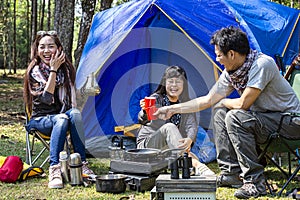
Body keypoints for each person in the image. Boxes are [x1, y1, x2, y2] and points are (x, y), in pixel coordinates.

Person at [154, 26, 300, 199]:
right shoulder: (234, 72)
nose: (217, 59)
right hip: (266, 123)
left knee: (234, 115)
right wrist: (172, 108)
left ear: (231, 54)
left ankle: (255, 182)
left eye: (219, 55)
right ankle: (231, 172)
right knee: (220, 111)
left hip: (290, 124)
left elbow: (243, 103)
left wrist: (222, 101)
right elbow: (207, 100)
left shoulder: (262, 64)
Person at [23, 30, 95, 189]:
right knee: (62, 118)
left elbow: (72, 101)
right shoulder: (34, 71)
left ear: (59, 49)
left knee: (74, 114)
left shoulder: (67, 70)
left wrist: (88, 90)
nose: (46, 51)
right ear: (37, 50)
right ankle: (54, 169)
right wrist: (53, 70)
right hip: (40, 120)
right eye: (42, 47)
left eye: (51, 46)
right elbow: (47, 99)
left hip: (61, 118)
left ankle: (81, 164)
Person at [137, 65, 214, 176]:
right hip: (147, 146)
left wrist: (189, 139)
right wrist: (144, 111)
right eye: (170, 81)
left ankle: (191, 165)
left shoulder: (184, 103)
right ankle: (198, 166)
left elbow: (191, 125)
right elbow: (143, 120)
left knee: (184, 145)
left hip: (167, 148)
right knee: (169, 127)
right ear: (165, 83)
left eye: (178, 82)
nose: (174, 85)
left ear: (184, 84)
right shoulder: (156, 98)